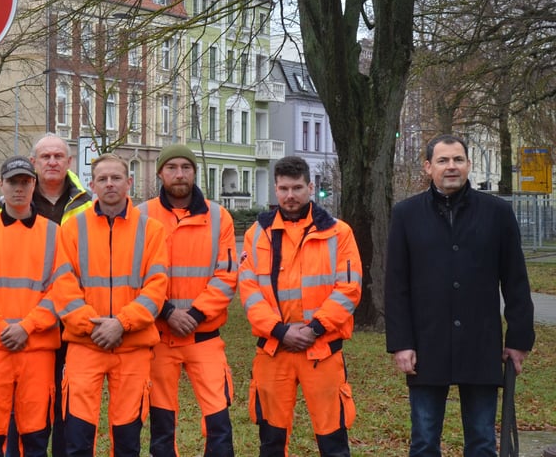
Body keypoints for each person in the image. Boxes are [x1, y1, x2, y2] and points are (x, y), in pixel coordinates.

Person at [385, 134, 535, 457]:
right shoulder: (406, 215)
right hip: (426, 344)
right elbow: (396, 286)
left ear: (468, 164)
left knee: (482, 441)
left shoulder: (497, 213)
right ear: (428, 167)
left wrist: (519, 340)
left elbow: (516, 281)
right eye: (442, 160)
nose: (450, 167)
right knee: (424, 441)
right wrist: (401, 343)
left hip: (481, 344)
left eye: (457, 160)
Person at [239, 155, 362, 456]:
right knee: (271, 441)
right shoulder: (257, 235)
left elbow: (349, 289)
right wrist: (280, 331)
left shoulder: (338, 232)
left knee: (333, 439)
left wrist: (315, 328)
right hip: (273, 350)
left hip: (321, 349)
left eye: (297, 188)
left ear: (310, 186)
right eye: (283, 189)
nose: (290, 196)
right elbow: (249, 291)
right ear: (275, 189)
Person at [51, 153, 168, 457]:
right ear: (92, 185)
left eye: (116, 178)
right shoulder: (72, 229)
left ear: (129, 182)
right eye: (102, 179)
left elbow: (156, 288)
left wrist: (121, 323)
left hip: (132, 346)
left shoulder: (152, 230)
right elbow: (63, 286)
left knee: (128, 440)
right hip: (85, 346)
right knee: (77, 438)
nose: (110, 184)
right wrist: (94, 326)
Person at [0, 133, 92, 457]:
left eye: (58, 156)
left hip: (72, 319)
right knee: (21, 406)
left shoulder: (88, 203)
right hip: (23, 322)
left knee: (65, 403)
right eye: (45, 156)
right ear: (34, 163)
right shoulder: (5, 204)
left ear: (69, 162)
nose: (52, 162)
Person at [138, 145, 237, 457]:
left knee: (218, 418)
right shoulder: (141, 216)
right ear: (160, 173)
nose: (179, 174)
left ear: (195, 172)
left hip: (204, 335)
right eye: (172, 168)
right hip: (158, 335)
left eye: (185, 167)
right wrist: (167, 312)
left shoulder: (219, 217)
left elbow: (227, 275)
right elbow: (134, 274)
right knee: (162, 422)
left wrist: (194, 313)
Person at [0, 156, 67, 457]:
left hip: (37, 352)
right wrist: (2, 327)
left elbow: (61, 289)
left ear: (34, 185)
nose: (19, 188)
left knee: (35, 439)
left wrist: (27, 327)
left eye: (24, 182)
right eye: (12, 182)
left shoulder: (53, 233)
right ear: (1, 185)